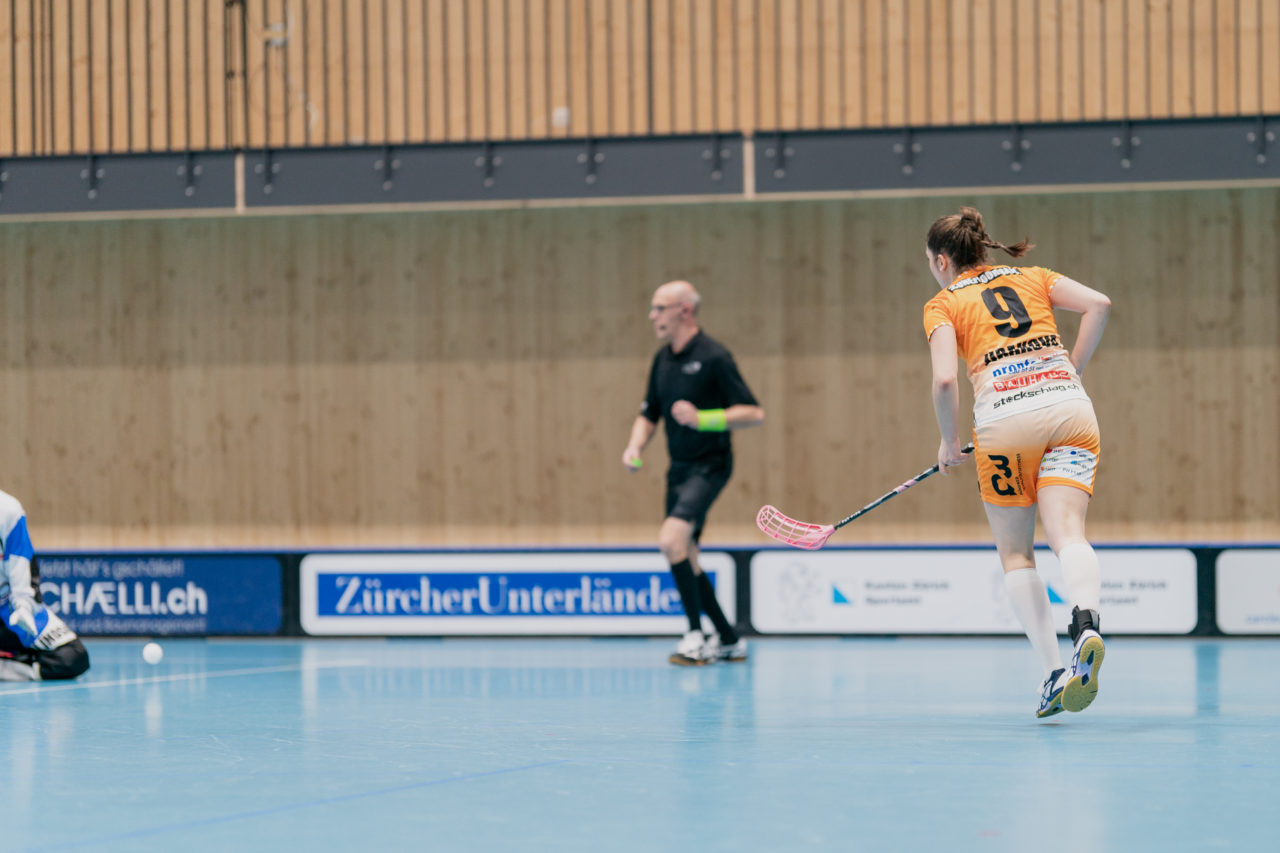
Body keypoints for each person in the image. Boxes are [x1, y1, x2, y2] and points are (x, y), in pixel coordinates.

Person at [921, 207, 1111, 718]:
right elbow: (1099, 304)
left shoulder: (943, 303)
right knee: (1068, 532)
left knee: (1017, 554)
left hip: (1005, 425)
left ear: (942, 261)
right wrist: (1071, 367)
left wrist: (948, 441)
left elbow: (944, 381)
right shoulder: (1034, 277)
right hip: (1070, 409)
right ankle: (1087, 624)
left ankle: (1055, 673)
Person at [622, 280, 765, 665]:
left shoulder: (715, 356)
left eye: (659, 308)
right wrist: (636, 445)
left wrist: (704, 418)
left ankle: (694, 635)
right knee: (687, 553)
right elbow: (649, 413)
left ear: (684, 310)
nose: (653, 316)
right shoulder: (662, 359)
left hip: (711, 466)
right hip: (678, 469)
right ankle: (730, 639)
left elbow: (753, 413)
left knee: (671, 541)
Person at [0, 489, 90, 682]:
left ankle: (9, 669)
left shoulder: (8, 510)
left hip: (7, 608)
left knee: (73, 657)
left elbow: (21, 564)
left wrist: (23, 606)